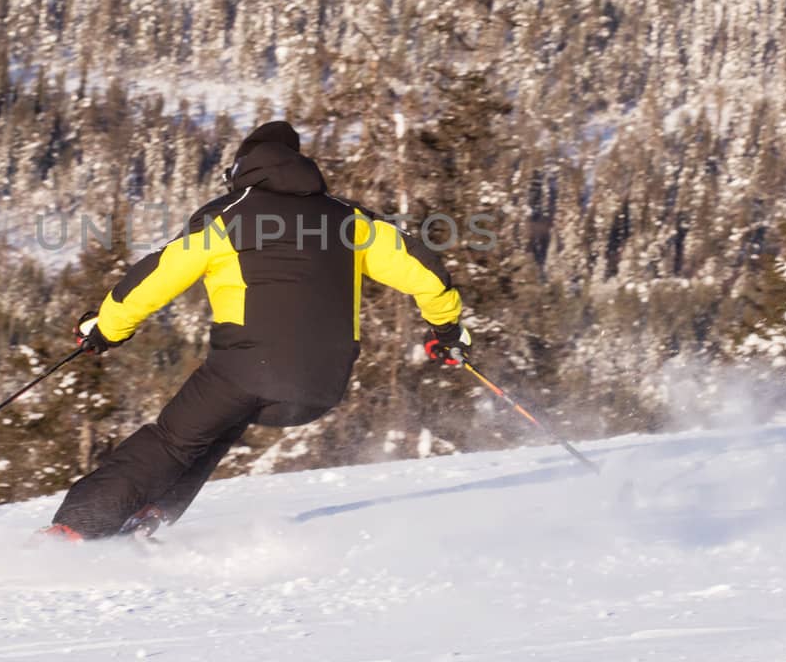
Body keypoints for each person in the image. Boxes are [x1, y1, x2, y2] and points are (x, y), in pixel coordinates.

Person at [42, 121, 472, 541]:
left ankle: (75, 529)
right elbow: (426, 273)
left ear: (241, 168)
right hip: (322, 385)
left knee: (173, 439)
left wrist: (106, 329)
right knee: (217, 422)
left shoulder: (227, 217)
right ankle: (150, 514)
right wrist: (446, 331)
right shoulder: (350, 220)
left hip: (250, 368)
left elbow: (157, 276)